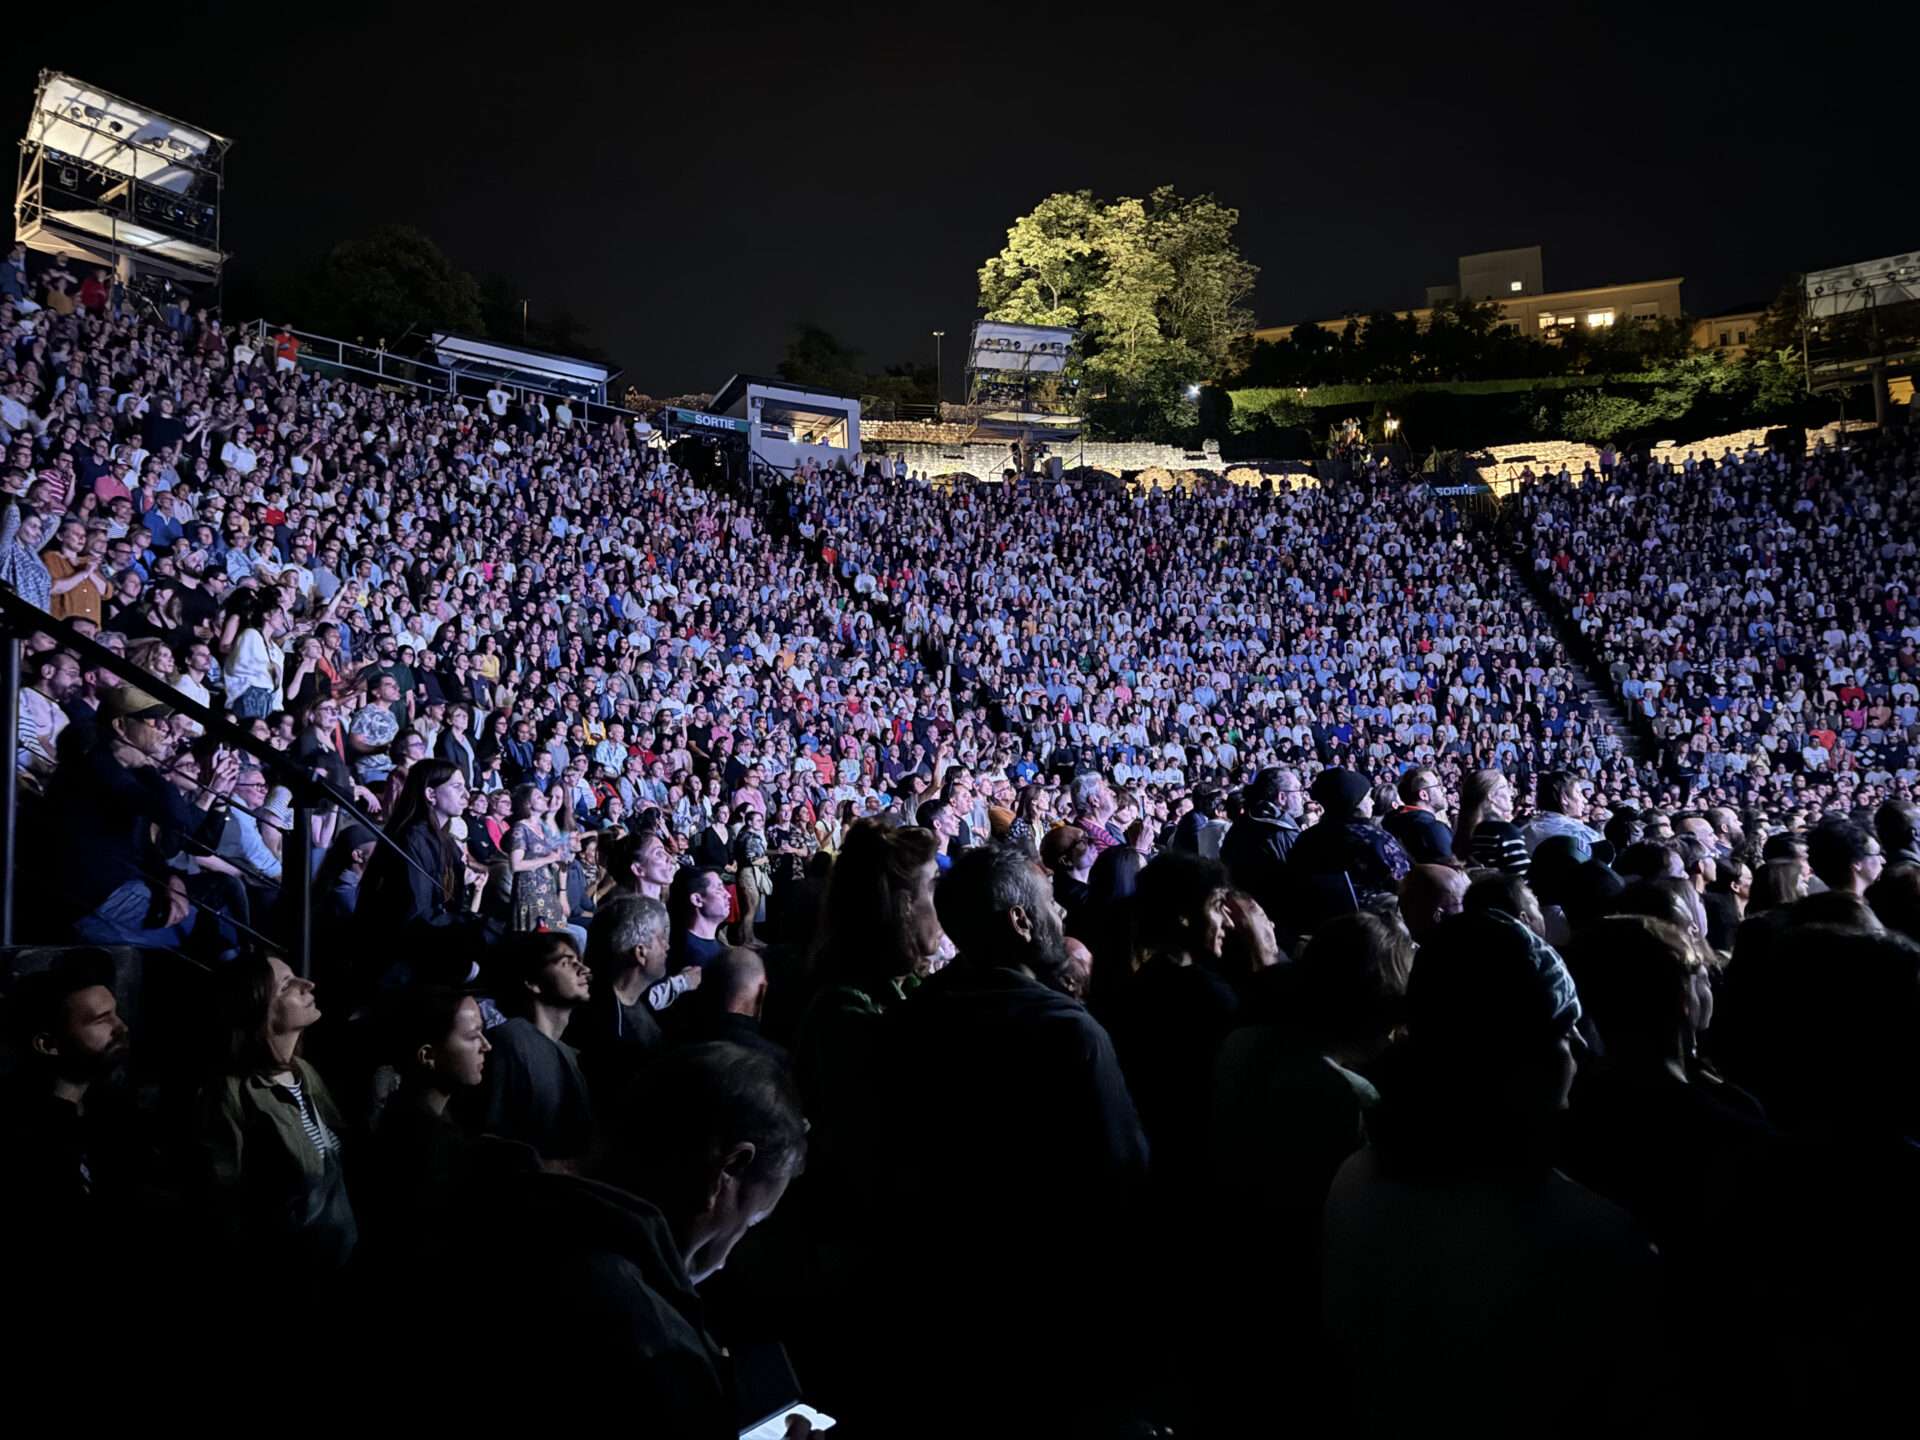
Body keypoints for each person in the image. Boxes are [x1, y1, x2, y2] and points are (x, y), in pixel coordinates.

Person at [1323, 912, 1658, 1431]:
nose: (1581, 1052)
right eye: (1565, 1033)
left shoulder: (1352, 1179)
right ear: (1522, 1063)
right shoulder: (1595, 1241)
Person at [859, 843, 1152, 1434]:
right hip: (1050, 1311)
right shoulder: (1069, 1033)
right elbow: (1124, 1179)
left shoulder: (911, 1018)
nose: (1061, 916)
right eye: (1049, 905)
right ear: (1019, 920)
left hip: (945, 1305)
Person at [402, 1043, 806, 1432]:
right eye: (751, 1220)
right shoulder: (648, 1340)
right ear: (729, 1168)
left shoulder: (478, 1185)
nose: (729, 1254)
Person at [197, 954, 357, 1278]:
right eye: (286, 985)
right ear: (259, 1010)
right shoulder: (229, 1095)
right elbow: (224, 1205)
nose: (307, 984)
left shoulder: (304, 1072)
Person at [357, 987, 498, 1248]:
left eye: (482, 1031)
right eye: (471, 1036)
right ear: (428, 1055)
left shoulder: (413, 1118)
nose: (486, 1046)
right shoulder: (423, 1143)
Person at [467, 932, 594, 1162]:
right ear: (532, 982)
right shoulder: (511, 1041)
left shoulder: (570, 1055)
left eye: (580, 960)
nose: (583, 969)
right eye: (566, 962)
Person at [572, 895, 670, 1096]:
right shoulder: (601, 1023)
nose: (667, 946)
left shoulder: (635, 999)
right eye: (661, 939)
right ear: (640, 953)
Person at [1219, 766, 1303, 925]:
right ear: (1282, 797)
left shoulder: (1240, 824)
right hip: (1275, 919)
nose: (1302, 796)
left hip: (1244, 914)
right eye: (1297, 790)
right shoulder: (1280, 832)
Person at [1382, 766, 1454, 865]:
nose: (1444, 790)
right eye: (1438, 786)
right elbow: (1455, 872)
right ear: (1424, 795)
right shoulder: (1433, 828)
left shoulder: (1391, 822)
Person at [1520, 769, 1602, 855]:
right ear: (1564, 798)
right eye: (1578, 793)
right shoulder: (1581, 835)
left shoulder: (1524, 832)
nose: (1584, 800)